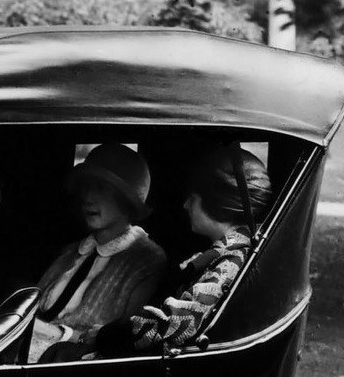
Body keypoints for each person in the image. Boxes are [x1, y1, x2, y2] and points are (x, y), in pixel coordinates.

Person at [95, 146, 273, 357]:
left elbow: (176, 324)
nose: (186, 205)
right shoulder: (230, 251)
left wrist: (103, 336)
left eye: (193, 198)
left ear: (214, 200)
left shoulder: (231, 260)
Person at [28, 144, 166, 363]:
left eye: (101, 189)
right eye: (86, 187)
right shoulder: (72, 251)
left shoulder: (147, 260)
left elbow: (122, 338)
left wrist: (61, 335)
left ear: (126, 199)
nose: (88, 198)